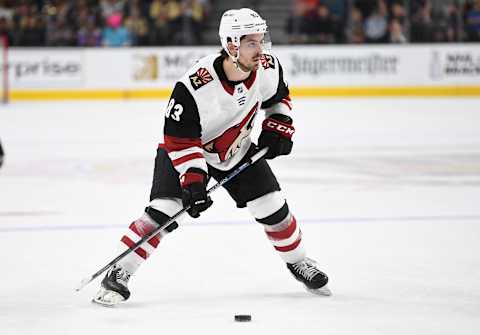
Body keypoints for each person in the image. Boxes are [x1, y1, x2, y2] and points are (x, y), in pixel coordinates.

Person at [93, 8, 330, 306]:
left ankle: (299, 262)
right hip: (185, 151)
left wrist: (277, 125)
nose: (261, 49)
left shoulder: (267, 66)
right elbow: (179, 139)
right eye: (252, 43)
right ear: (232, 45)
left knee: (273, 207)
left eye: (261, 40)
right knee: (164, 210)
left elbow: (278, 97)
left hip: (236, 150)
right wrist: (193, 181)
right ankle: (119, 270)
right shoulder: (193, 87)